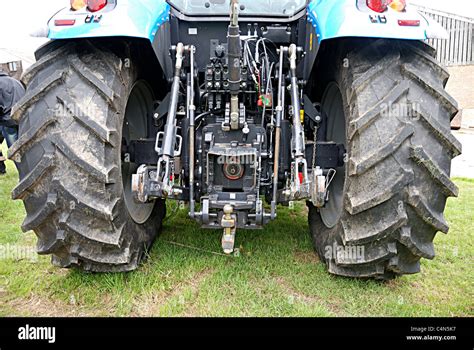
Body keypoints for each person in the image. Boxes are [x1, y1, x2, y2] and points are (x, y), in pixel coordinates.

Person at [0, 68, 25, 173]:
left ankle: (23, 174)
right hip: (24, 119)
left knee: (16, 152)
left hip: (8, 122)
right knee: (26, 148)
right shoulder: (16, 82)